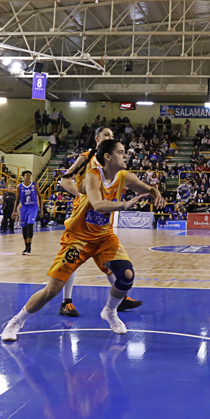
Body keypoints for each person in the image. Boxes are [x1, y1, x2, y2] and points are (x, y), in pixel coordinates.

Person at [1, 140, 165, 341]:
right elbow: (97, 204)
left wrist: (156, 194)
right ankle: (17, 321)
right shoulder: (92, 177)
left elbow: (148, 188)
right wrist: (124, 204)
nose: (125, 156)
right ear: (108, 157)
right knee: (52, 290)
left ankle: (110, 311)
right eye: (121, 152)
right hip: (77, 239)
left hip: (104, 237)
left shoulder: (124, 176)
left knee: (127, 275)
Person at [58, 127, 143, 316]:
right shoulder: (87, 158)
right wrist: (82, 194)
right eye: (106, 135)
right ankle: (66, 302)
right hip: (83, 214)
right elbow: (64, 181)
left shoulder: (112, 161)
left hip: (103, 214)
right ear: (97, 138)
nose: (110, 137)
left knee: (109, 256)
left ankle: (120, 299)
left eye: (113, 136)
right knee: (71, 258)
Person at [14, 171, 40, 255]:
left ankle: (29, 248)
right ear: (23, 177)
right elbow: (17, 200)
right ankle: (26, 247)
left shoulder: (34, 185)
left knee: (30, 225)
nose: (28, 177)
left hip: (33, 207)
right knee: (24, 227)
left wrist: (42, 209)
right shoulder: (19, 186)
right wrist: (14, 211)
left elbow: (40, 196)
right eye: (26, 176)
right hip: (24, 208)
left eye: (29, 176)